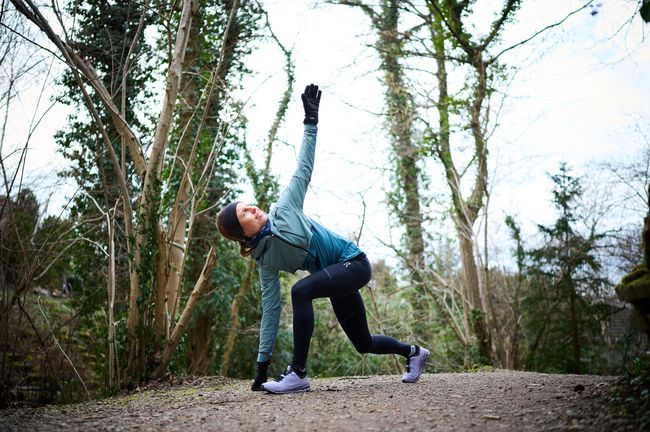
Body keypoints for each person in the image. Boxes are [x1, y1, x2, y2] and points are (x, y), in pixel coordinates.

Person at [216, 84, 429, 394]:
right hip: (336, 276)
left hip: (354, 263)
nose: (252, 207)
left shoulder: (284, 208)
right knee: (363, 342)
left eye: (248, 203)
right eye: (244, 212)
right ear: (241, 232)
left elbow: (304, 166)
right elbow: (271, 312)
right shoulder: (265, 262)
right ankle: (415, 353)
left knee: (301, 290)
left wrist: (310, 120)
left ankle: (298, 373)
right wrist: (261, 368)